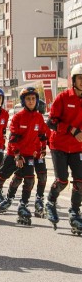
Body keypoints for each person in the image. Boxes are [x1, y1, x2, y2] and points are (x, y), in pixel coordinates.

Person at [0, 87, 48, 222]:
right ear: (23, 101)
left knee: (29, 180)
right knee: (1, 177)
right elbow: (13, 139)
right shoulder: (17, 117)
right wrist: (17, 156)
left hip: (29, 155)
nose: (31, 101)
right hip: (14, 154)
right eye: (28, 99)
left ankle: (23, 205)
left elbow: (42, 135)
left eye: (33, 99)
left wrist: (43, 149)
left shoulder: (39, 117)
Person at [43, 63, 82, 231]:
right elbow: (51, 122)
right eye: (80, 78)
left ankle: (74, 213)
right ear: (73, 80)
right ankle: (50, 202)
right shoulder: (63, 97)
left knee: (80, 182)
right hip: (59, 145)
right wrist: (72, 130)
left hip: (78, 147)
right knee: (62, 180)